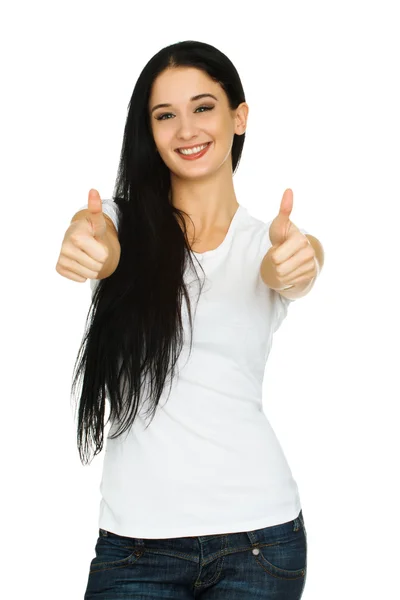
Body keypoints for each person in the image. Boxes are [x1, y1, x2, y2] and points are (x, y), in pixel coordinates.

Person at [56, 39, 324, 600]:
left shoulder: (269, 243)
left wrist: (298, 263)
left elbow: (292, 271)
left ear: (238, 116)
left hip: (259, 542)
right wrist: (90, 248)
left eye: (203, 107)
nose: (186, 130)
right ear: (148, 131)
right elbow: (96, 239)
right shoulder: (117, 221)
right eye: (164, 115)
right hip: (134, 547)